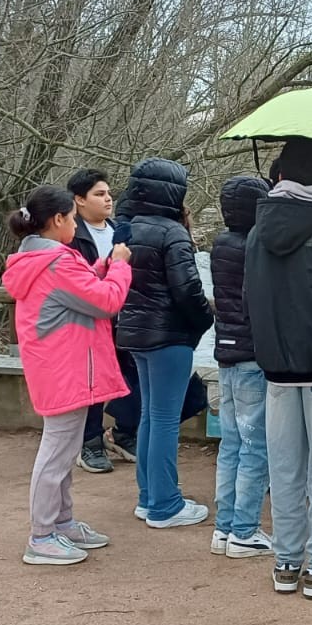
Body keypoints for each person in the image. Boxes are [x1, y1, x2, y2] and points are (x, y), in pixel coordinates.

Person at [3, 185, 133, 565]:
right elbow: (106, 301)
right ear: (58, 219)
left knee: (65, 447)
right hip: (66, 367)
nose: (76, 224)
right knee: (57, 451)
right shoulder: (58, 262)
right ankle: (42, 534)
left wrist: (103, 268)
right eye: (73, 218)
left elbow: (80, 290)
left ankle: (61, 522)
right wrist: (121, 264)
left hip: (60, 365)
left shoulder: (44, 260)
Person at [244, 137, 312, 600]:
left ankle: (286, 563)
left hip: (274, 369)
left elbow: (250, 299)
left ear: (281, 176)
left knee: (284, 470)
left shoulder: (255, 229)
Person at [115, 158, 214, 528]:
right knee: (164, 419)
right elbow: (188, 290)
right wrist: (204, 321)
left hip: (136, 335)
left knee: (148, 416)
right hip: (168, 336)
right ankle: (165, 504)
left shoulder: (127, 229)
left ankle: (148, 496)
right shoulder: (172, 234)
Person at [210, 175, 273, 558]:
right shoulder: (255, 246)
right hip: (252, 355)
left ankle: (225, 528)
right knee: (255, 446)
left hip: (226, 353)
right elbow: (256, 301)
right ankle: (245, 531)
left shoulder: (219, 244)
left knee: (231, 443)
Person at [67, 168, 122, 475]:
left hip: (123, 317)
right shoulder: (71, 235)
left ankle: (123, 432)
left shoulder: (120, 230)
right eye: (99, 194)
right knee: (92, 383)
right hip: (87, 320)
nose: (108, 199)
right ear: (80, 200)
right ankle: (89, 443)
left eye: (108, 193)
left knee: (127, 377)